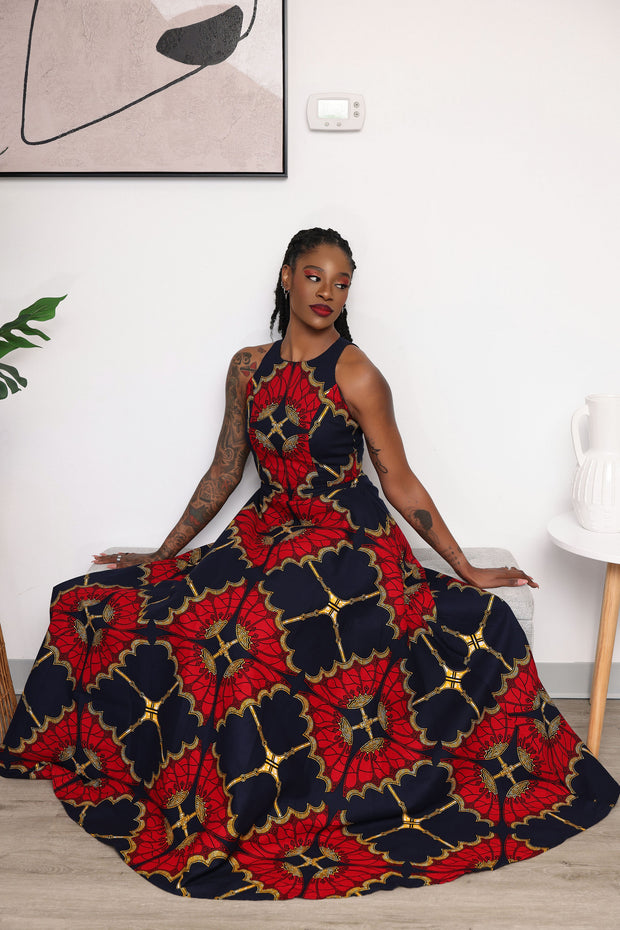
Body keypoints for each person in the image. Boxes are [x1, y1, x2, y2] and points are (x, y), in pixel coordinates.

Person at [1, 228, 617, 900]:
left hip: (346, 540)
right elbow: (224, 469)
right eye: (316, 275)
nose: (329, 291)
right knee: (109, 603)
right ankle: (160, 778)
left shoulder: (357, 373)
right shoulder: (247, 367)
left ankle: (246, 808)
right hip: (266, 528)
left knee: (241, 644)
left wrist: (465, 569)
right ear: (287, 276)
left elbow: (399, 480)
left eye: (342, 281)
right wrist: (162, 555)